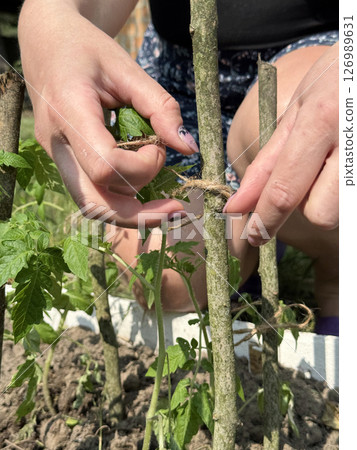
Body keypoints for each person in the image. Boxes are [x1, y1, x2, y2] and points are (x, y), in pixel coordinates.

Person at [18, 0, 339, 335]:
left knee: (298, 125)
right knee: (170, 279)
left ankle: (336, 271)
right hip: (180, 74)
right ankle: (254, 242)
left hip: (320, 55)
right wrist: (51, 25)